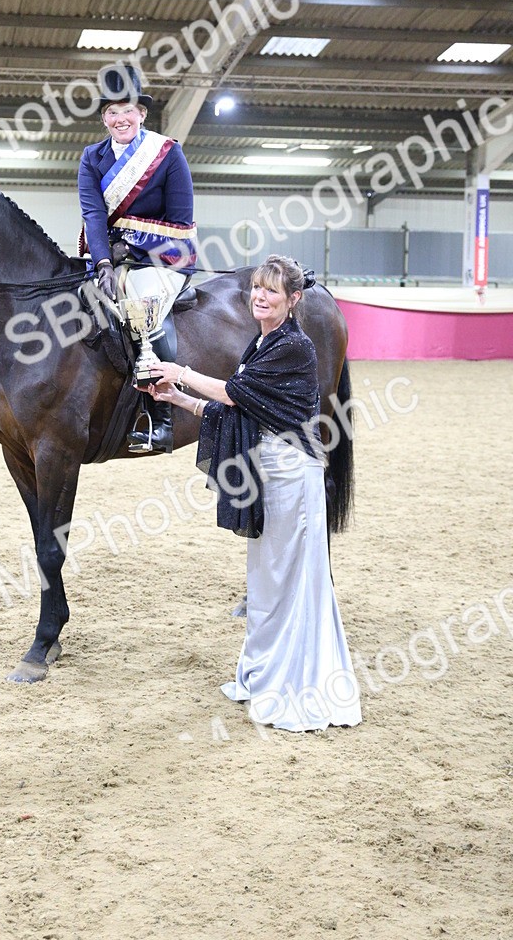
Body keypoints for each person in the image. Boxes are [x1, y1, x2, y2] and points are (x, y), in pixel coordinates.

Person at [147, 254, 362, 733]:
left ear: (293, 299)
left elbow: (233, 393)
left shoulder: (295, 346)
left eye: (271, 291)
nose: (260, 297)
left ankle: (297, 685)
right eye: (258, 288)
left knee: (289, 586)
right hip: (272, 476)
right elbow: (241, 409)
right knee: (266, 585)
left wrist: (180, 372)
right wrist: (178, 399)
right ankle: (265, 673)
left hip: (292, 478)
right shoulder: (262, 342)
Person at [78, 63, 197, 454]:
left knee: (142, 310)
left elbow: (180, 223)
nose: (120, 119)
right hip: (110, 258)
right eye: (112, 112)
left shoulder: (167, 153)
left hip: (164, 256)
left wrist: (130, 248)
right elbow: (94, 216)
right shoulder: (91, 158)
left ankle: (162, 418)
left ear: (142, 113)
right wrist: (103, 263)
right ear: (104, 118)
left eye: (127, 110)